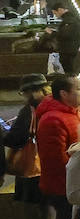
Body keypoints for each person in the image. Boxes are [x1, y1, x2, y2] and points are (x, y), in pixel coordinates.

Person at [35, 73, 80, 219]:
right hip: (63, 186)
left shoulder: (73, 112)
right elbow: (56, 161)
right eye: (78, 89)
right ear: (64, 94)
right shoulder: (53, 120)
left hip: (75, 182)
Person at [4, 73, 49, 210]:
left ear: (33, 91)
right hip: (53, 169)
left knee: (31, 210)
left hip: (33, 171)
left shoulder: (30, 110)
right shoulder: (55, 105)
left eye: (24, 92)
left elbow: (15, 139)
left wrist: (3, 133)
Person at [49, 3, 80, 75]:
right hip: (70, 49)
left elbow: (66, 34)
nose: (55, 15)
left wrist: (52, 33)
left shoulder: (69, 20)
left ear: (60, 10)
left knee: (69, 72)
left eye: (55, 13)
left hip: (68, 50)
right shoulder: (71, 18)